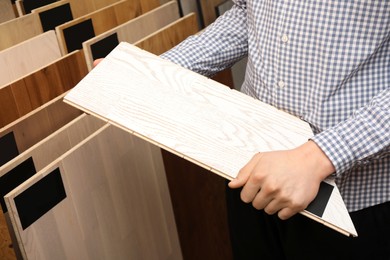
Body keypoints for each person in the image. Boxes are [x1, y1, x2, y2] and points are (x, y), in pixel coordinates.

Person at [96, 1, 389, 258]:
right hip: (250, 174)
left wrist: (319, 157)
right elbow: (246, 15)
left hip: (354, 202)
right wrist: (154, 74)